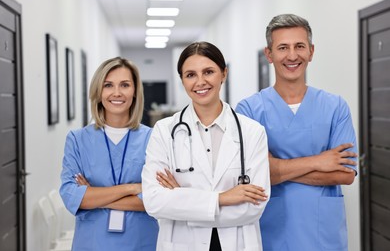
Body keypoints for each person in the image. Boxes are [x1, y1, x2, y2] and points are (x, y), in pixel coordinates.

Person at [236, 14, 358, 251]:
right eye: (283, 47)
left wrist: (276, 168)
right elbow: (252, 176)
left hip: (324, 234)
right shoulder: (249, 109)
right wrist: (319, 161)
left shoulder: (336, 107)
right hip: (272, 232)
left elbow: (345, 175)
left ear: (311, 51)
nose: (292, 55)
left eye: (299, 46)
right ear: (269, 54)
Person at [141, 41, 270, 251]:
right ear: (182, 80)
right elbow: (154, 201)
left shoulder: (252, 132)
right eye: (190, 75)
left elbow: (254, 207)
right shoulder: (164, 131)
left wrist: (181, 199)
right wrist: (224, 198)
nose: (200, 82)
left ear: (224, 74)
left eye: (208, 72)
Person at [60, 57, 158, 251]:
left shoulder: (153, 138)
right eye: (108, 85)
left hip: (140, 241)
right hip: (92, 242)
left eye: (125, 85)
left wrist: (93, 196)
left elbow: (156, 198)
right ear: (98, 91)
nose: (117, 93)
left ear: (135, 92)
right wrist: (132, 188)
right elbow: (72, 196)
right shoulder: (77, 139)